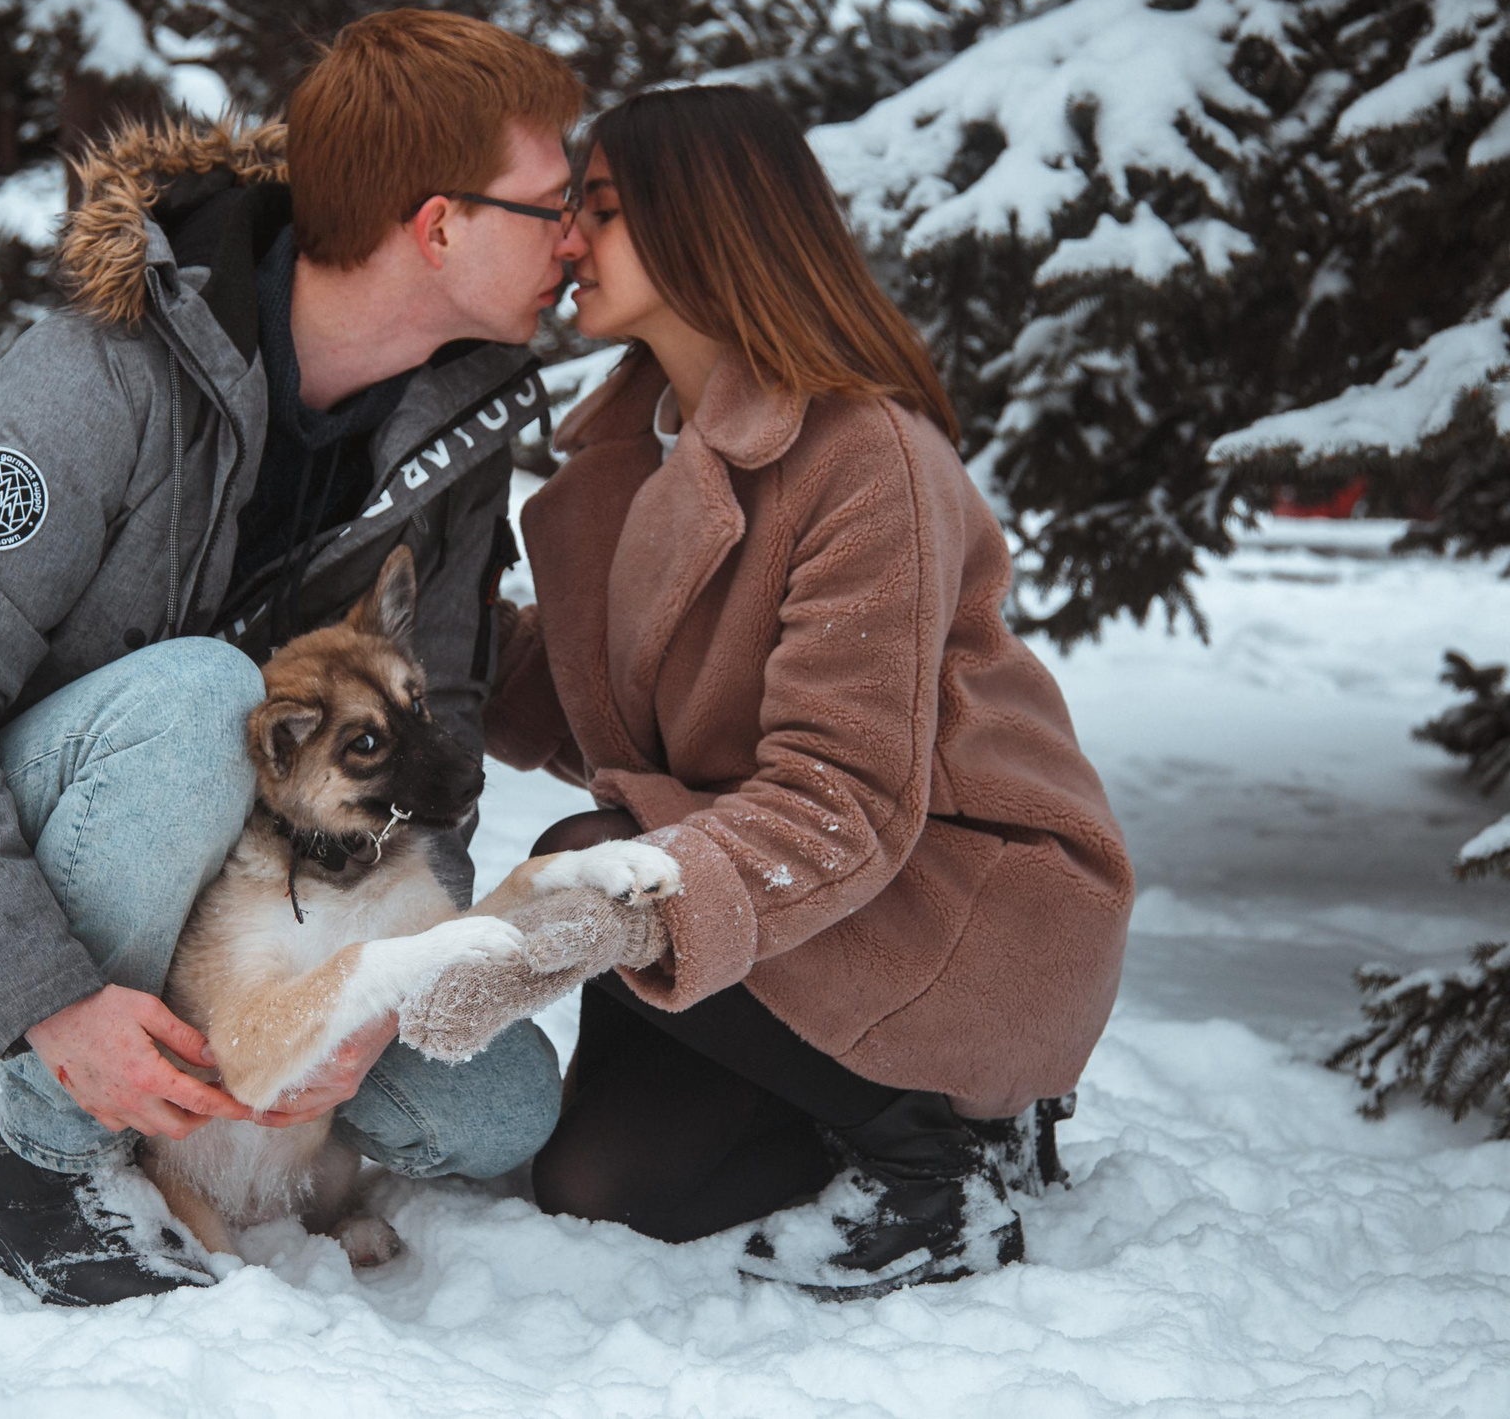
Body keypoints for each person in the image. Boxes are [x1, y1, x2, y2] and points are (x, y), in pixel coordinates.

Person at [0, 10, 587, 1306]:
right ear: (438, 225)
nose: (577, 239)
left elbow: (437, 739)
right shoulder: (99, 377)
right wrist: (50, 998)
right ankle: (47, 1176)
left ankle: (181, 1108)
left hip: (237, 890)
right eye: (551, 205)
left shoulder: (456, 415)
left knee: (493, 1105)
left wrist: (378, 986)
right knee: (203, 694)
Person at [484, 84, 1134, 1298]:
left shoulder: (863, 455)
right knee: (602, 1189)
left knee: (599, 859)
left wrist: (597, 902)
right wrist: (422, 656)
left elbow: (845, 801)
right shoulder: (635, 465)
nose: (565, 237)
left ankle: (942, 1154)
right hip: (799, 902)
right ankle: (869, 1114)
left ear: (707, 224)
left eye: (602, 208)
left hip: (959, 903)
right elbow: (623, 719)